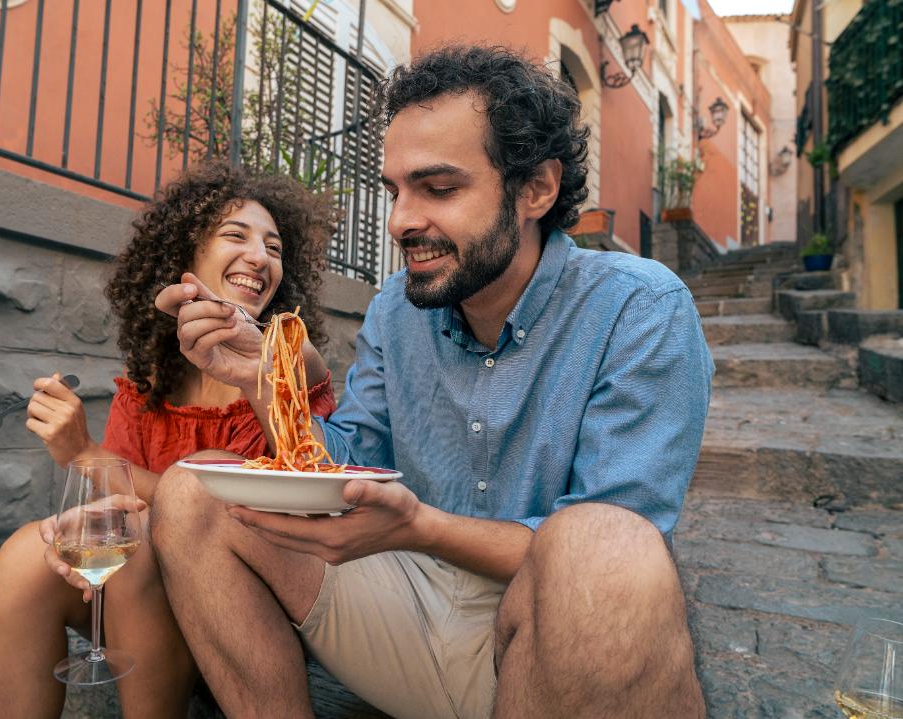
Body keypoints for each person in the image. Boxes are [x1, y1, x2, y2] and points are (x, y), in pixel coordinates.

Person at [153, 45, 713, 718]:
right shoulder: (397, 307)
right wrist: (261, 377)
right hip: (407, 606)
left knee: (607, 547)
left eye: (438, 188)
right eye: (395, 191)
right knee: (192, 490)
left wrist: (420, 527)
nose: (399, 221)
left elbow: (621, 541)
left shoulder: (639, 308)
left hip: (553, 632)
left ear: (535, 188)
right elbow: (344, 458)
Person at [0, 161, 337, 719]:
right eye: (236, 236)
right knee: (27, 555)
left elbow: (214, 509)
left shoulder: (286, 363)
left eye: (275, 247)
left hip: (250, 599)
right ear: (185, 260)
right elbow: (115, 507)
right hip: (142, 595)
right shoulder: (144, 391)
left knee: (139, 537)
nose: (260, 257)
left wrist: (86, 455)